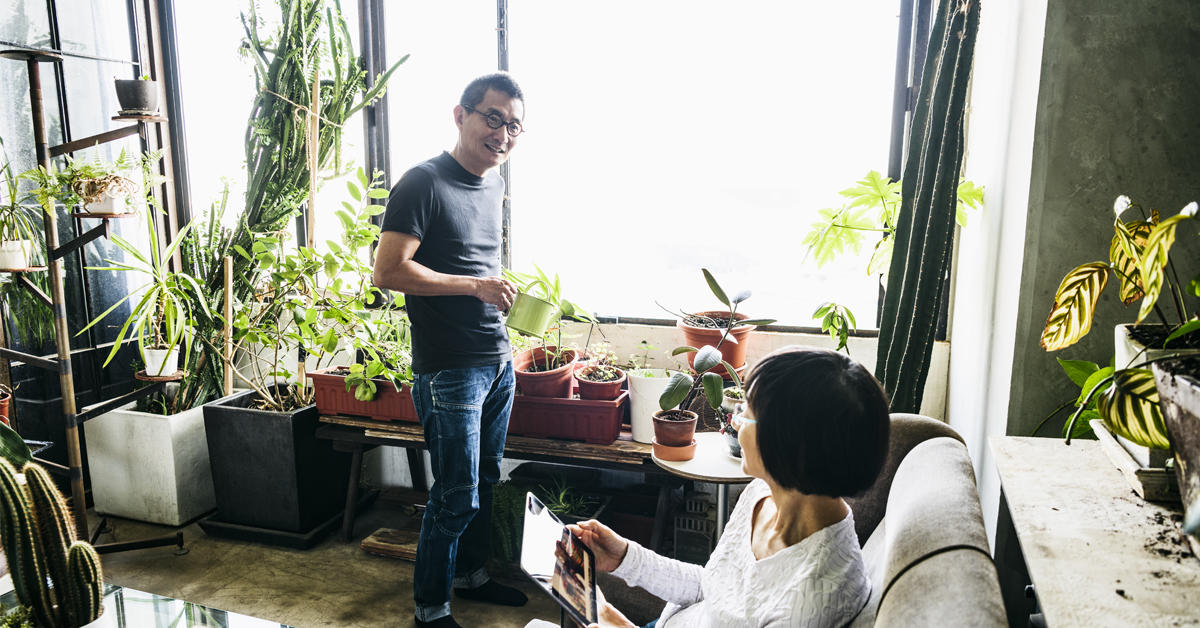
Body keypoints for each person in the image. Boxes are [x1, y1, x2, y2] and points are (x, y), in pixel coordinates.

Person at [569, 346, 890, 628]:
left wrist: (615, 622)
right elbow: (713, 588)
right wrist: (624, 556)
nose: (734, 423)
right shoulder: (763, 493)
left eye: (746, 414)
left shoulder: (813, 599)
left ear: (787, 443)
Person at [373, 72, 528, 628]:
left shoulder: (493, 185)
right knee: (456, 493)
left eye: (514, 125)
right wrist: (474, 286)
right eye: (493, 118)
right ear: (460, 115)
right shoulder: (423, 182)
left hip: (496, 360)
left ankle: (471, 576)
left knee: (485, 482)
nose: (503, 134)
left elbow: (471, 263)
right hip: (450, 370)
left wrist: (495, 289)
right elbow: (388, 272)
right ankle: (431, 609)